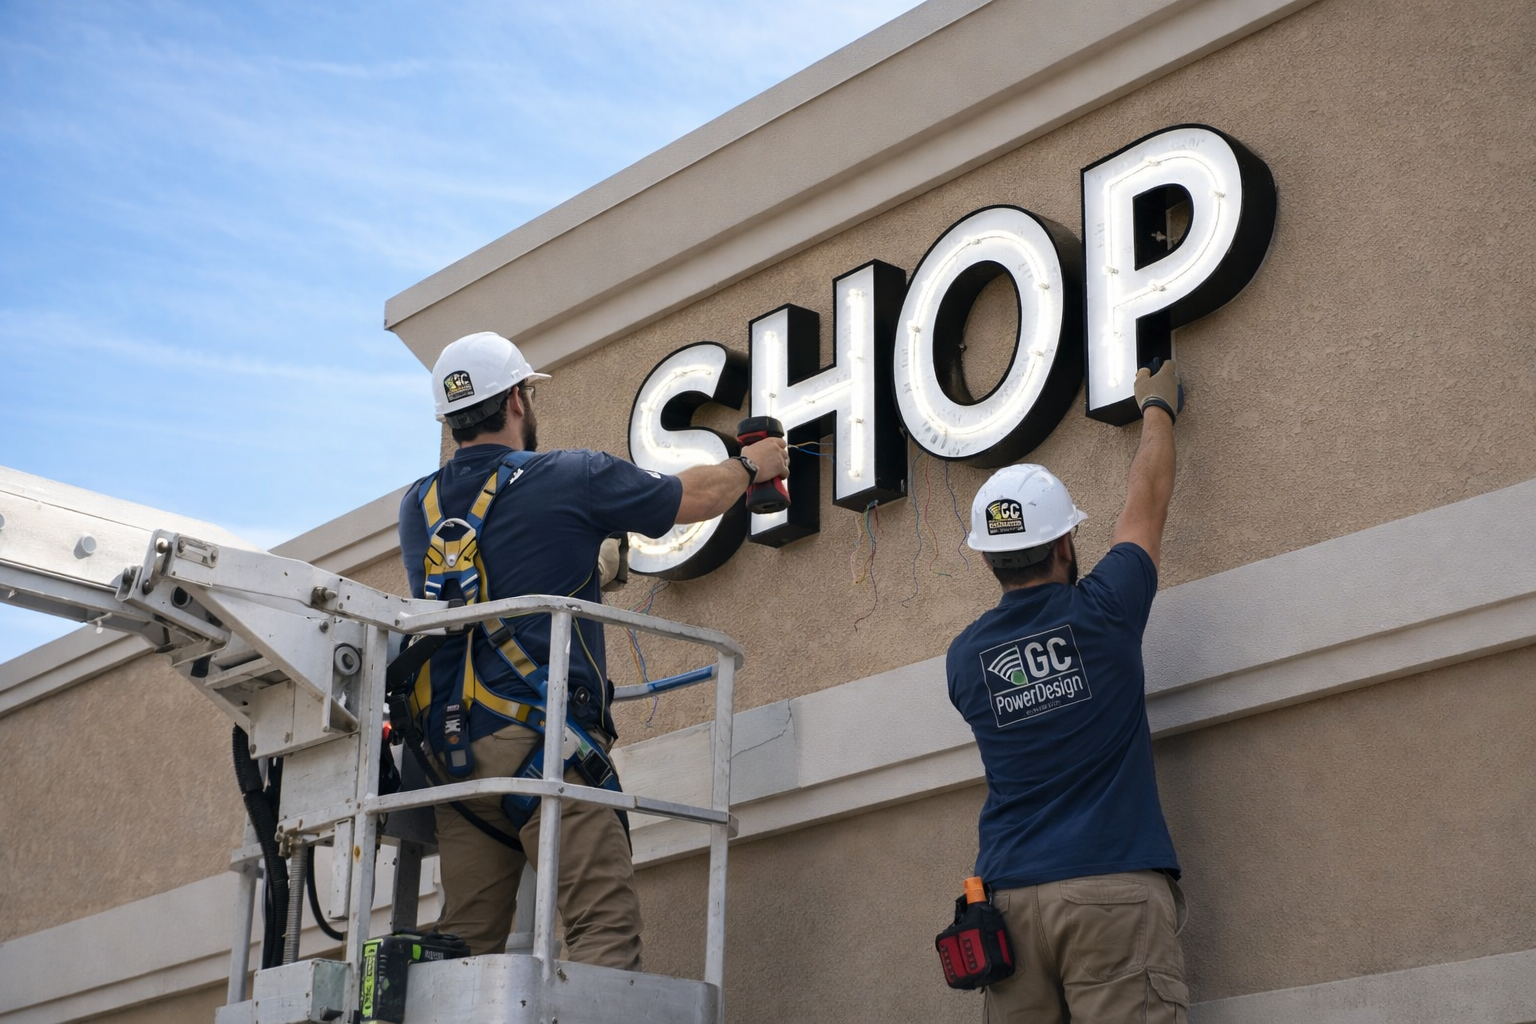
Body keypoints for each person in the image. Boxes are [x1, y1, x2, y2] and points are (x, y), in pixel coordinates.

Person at [396, 330, 788, 967]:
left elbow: (487, 579)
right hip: (543, 748)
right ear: (518, 399)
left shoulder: (417, 507)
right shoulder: (570, 475)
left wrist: (581, 561)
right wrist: (753, 466)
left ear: (449, 419)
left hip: (456, 762)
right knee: (602, 935)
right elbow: (694, 498)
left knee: (464, 954)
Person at [944, 359, 1189, 1022]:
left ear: (989, 557)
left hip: (1008, 905)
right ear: (1063, 544)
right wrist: (1158, 409)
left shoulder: (965, 659)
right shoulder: (1104, 613)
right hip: (1110, 888)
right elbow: (1146, 507)